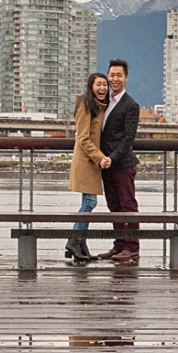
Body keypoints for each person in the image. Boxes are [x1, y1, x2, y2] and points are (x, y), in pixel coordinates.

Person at [97, 59, 141, 261]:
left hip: (123, 164)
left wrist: (111, 158)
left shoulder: (131, 105)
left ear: (126, 78)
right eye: (112, 75)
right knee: (113, 205)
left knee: (128, 205)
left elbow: (128, 138)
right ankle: (119, 244)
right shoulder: (104, 102)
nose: (115, 79)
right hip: (106, 163)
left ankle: (132, 247)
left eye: (119, 75)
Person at [66, 73, 112, 261]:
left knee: (89, 202)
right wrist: (100, 157)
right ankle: (74, 241)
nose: (102, 88)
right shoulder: (86, 105)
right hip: (86, 160)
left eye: (104, 85)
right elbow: (83, 137)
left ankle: (80, 244)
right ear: (90, 86)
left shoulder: (100, 107)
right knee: (89, 202)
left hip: (92, 161)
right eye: (98, 84)